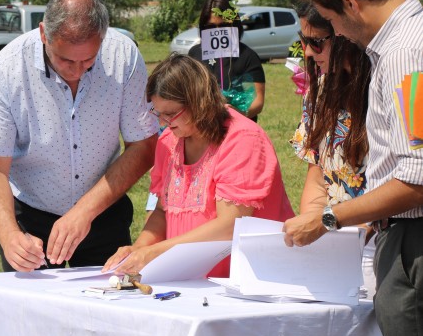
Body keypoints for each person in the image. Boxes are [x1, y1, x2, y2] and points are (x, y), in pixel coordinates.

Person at [282, 0, 423, 336]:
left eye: (332, 25)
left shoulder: (406, 53)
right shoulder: (401, 45)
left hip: (411, 241)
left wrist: (326, 220)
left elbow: (416, 179)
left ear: (348, 3)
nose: (336, 36)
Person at [0, 0, 159, 272]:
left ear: (103, 37)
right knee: (33, 314)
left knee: (106, 312)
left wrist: (85, 211)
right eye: (66, 60)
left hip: (104, 213)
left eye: (88, 60)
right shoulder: (6, 70)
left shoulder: (124, 56)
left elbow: (144, 146)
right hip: (31, 218)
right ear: (43, 34)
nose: (77, 71)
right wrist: (10, 235)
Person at [103, 53, 294, 277]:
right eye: (158, 113)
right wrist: (139, 248)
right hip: (190, 279)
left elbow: (230, 225)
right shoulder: (169, 141)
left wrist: (154, 252)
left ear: (199, 103)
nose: (163, 123)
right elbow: (161, 211)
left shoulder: (242, 139)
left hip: (244, 278)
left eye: (171, 114)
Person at [288, 2, 375, 297]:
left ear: (343, 33)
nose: (308, 53)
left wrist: (326, 222)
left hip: (382, 246)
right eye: (303, 41)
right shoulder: (320, 89)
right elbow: (318, 174)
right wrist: (315, 232)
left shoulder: (383, 84)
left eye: (316, 42)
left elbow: (402, 187)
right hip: (334, 245)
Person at [188, 0, 266, 121]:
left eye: (224, 25)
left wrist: (237, 115)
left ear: (234, 25)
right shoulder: (194, 54)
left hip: (239, 130)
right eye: (211, 27)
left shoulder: (248, 56)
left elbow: (258, 102)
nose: (218, 31)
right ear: (203, 27)